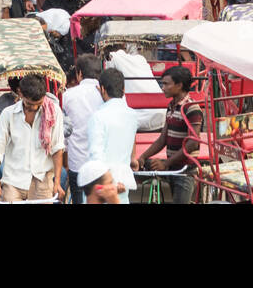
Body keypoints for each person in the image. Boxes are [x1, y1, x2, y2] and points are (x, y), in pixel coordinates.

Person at [0, 73, 67, 202]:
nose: (35, 108)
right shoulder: (8, 114)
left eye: (39, 104)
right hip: (13, 180)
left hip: (42, 179)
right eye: (30, 104)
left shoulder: (54, 111)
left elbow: (57, 148)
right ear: (20, 94)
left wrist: (57, 183)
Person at [136, 65, 203, 204]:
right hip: (174, 168)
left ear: (179, 85)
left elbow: (193, 143)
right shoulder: (171, 106)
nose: (163, 87)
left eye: (166, 84)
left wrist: (166, 163)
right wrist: (143, 157)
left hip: (185, 171)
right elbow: (162, 139)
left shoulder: (191, 108)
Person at [88, 67, 140, 203]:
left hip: (102, 184)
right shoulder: (132, 116)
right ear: (123, 90)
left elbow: (96, 154)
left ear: (102, 89)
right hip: (123, 181)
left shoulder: (98, 116)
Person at [63, 55, 106, 204]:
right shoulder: (108, 95)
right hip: (102, 163)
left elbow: (65, 132)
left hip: (78, 162)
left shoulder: (68, 95)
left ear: (79, 73)